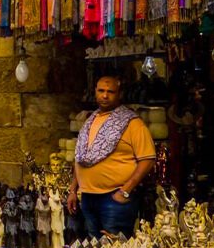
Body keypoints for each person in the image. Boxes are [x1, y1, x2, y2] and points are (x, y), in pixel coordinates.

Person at [67, 75, 156, 239]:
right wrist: (73, 189)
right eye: (101, 91)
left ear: (119, 94)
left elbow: (148, 159)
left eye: (110, 92)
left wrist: (126, 190)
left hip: (115, 198)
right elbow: (80, 157)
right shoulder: (89, 121)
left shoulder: (132, 123)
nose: (105, 95)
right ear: (95, 92)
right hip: (88, 197)